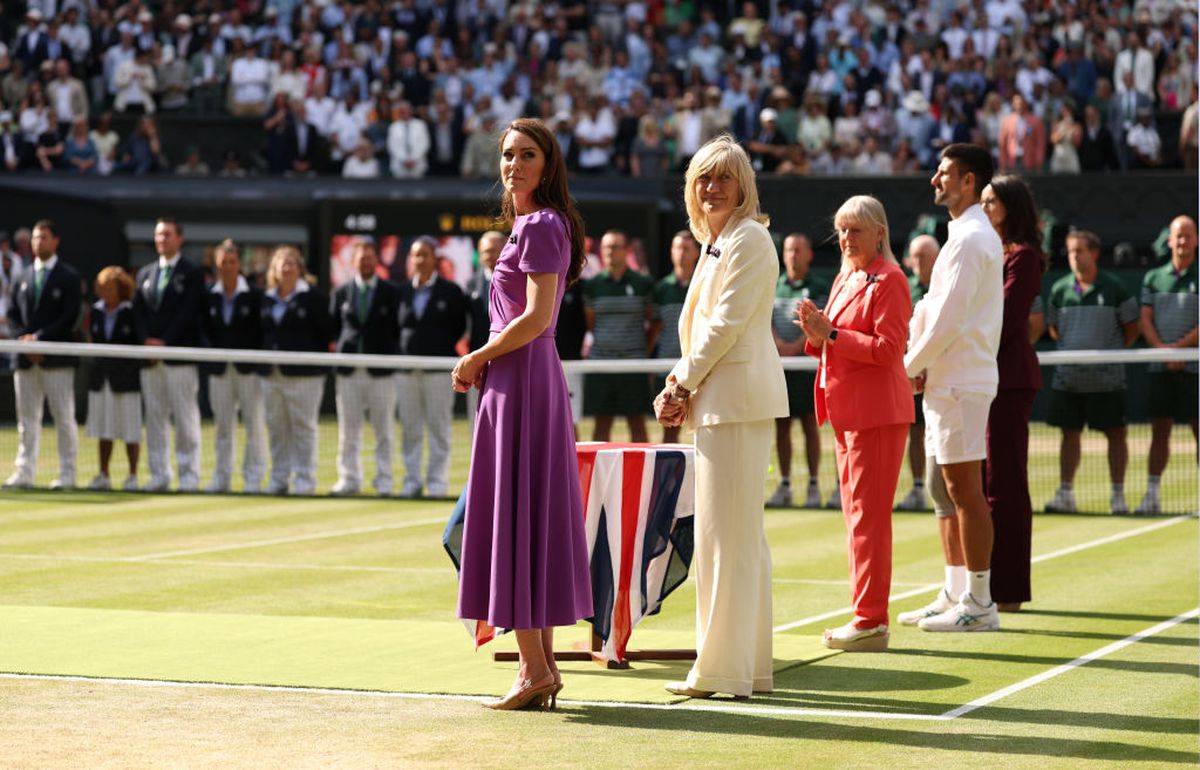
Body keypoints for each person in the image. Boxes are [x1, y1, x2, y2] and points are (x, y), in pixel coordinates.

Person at [451, 118, 593, 710]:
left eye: (526, 155)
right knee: (526, 520)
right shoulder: (532, 226)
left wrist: (477, 356)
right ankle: (542, 667)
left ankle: (535, 668)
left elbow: (537, 317)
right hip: (519, 380)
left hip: (521, 379)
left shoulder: (538, 225)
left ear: (547, 164)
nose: (513, 165)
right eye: (508, 155)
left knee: (520, 517)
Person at [654, 135, 787, 699]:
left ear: (743, 186)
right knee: (732, 540)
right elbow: (707, 329)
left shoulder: (748, 238)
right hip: (722, 403)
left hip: (734, 403)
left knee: (725, 541)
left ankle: (723, 672)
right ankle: (745, 668)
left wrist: (679, 382)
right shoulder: (719, 242)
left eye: (723, 178)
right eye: (703, 178)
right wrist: (681, 383)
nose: (712, 187)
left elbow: (725, 326)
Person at [796, 196, 913, 651]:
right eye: (842, 230)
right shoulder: (846, 277)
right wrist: (816, 336)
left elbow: (888, 349)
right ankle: (867, 616)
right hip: (848, 413)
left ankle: (870, 620)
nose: (845, 239)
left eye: (855, 230)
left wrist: (832, 335)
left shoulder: (892, 279)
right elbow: (833, 341)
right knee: (858, 518)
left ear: (879, 232)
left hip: (877, 413)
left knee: (867, 519)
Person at [901, 143, 1004, 633]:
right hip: (946, 380)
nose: (934, 180)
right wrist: (919, 363)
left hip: (961, 381)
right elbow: (932, 309)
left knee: (966, 491)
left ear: (969, 182)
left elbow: (949, 320)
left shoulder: (970, 240)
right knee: (945, 490)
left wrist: (907, 366)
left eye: (943, 173)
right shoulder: (960, 236)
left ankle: (980, 602)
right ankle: (954, 589)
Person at [978, 175, 1046, 611]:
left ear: (1010, 207)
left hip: (1008, 379)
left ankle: (1009, 591)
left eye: (991, 202)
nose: (983, 209)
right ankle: (983, 585)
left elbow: (1001, 319)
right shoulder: (992, 251)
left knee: (1005, 484)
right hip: (983, 376)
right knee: (985, 483)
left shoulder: (1023, 257)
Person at [1043, 230, 1139, 514]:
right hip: (1069, 381)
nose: (1074, 257)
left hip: (1107, 381)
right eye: (1071, 252)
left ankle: (1118, 497)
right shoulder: (1060, 289)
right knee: (1069, 436)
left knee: (1116, 435)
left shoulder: (1115, 288)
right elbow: (1054, 328)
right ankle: (1065, 494)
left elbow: (1131, 330)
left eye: (1080, 251)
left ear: (1094, 253)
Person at [3, 219, 80, 490]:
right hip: (25, 360)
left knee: (63, 418)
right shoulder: (22, 277)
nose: (38, 242)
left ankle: (68, 474)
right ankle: (25, 472)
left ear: (55, 241)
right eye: (35, 238)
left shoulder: (68, 276)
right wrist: (24, 340)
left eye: (44, 237)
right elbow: (12, 316)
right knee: (26, 420)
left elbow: (69, 316)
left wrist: (39, 340)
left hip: (56, 360)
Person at [134, 217, 205, 492]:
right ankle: (159, 474)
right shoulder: (145, 274)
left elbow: (188, 313)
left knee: (185, 419)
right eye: (158, 235)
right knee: (154, 419)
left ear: (179, 239)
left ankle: (189, 476)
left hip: (180, 359)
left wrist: (165, 343)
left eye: (167, 234)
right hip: (151, 362)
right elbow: (139, 313)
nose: (161, 239)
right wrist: (146, 342)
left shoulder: (192, 273)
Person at [396, 236, 467, 499]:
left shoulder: (450, 292)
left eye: (425, 254)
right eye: (416, 255)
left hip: (439, 371)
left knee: (439, 428)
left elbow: (458, 326)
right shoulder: (401, 291)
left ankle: (437, 483)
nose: (420, 259)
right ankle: (411, 482)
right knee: (410, 430)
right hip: (406, 371)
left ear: (435, 258)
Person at [1137, 215, 1198, 515]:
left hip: (1194, 368)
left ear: (1196, 240)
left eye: (1189, 235)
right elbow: (1145, 319)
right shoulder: (1153, 278)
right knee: (1159, 431)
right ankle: (1151, 495)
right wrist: (1163, 352)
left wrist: (1180, 350)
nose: (1183, 241)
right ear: (1170, 240)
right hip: (1161, 368)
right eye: (1179, 236)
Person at [260, 246, 333, 495]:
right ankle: (279, 479)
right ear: (274, 270)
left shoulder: (314, 298)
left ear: (300, 268)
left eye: (291, 263)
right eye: (281, 263)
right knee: (276, 429)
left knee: (303, 429)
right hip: (272, 375)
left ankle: (304, 480)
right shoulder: (266, 298)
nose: (286, 267)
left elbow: (326, 333)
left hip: (305, 377)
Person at [330, 238, 400, 497]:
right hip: (349, 372)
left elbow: (395, 328)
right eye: (361, 258)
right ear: (353, 261)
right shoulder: (341, 292)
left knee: (383, 430)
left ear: (376, 261)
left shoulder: (390, 292)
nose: (366, 262)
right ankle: (348, 479)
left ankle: (384, 480)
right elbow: (335, 328)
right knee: (348, 431)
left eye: (370, 258)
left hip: (381, 372)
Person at [768, 232, 829, 509]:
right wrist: (779, 345)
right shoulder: (773, 284)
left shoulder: (817, 286)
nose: (792, 255)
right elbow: (764, 318)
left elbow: (822, 321)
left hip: (806, 367)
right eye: (789, 250)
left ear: (809, 255)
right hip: (779, 368)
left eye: (798, 250)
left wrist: (796, 346)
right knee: (781, 425)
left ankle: (814, 484)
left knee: (809, 424)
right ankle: (784, 484)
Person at [202, 239, 266, 493]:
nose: (227, 266)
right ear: (216, 264)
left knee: (254, 425)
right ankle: (222, 477)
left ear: (239, 264)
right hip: (219, 372)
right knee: (222, 427)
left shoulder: (254, 295)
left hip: (248, 371)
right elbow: (204, 331)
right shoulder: (208, 296)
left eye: (232, 262)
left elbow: (261, 333)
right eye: (223, 262)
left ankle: (253, 479)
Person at [583, 230, 658, 442]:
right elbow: (591, 324)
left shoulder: (643, 284)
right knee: (601, 425)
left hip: (633, 365)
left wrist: (643, 351)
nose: (609, 251)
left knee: (638, 425)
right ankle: (599, 475)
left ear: (627, 251)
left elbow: (653, 322)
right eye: (606, 247)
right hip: (601, 365)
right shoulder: (592, 286)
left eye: (615, 247)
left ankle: (643, 474)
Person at [85, 266, 142, 491]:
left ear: (121, 289)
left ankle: (132, 476)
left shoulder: (131, 311)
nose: (106, 291)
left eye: (111, 287)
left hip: (126, 381)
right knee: (104, 428)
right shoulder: (96, 311)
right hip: (102, 380)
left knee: (130, 430)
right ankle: (104, 474)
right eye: (103, 287)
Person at [896, 234, 940, 512]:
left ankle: (939, 489)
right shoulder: (903, 287)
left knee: (932, 429)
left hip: (938, 373)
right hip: (906, 372)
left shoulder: (944, 287)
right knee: (913, 430)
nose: (920, 262)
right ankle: (917, 487)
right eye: (916, 256)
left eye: (925, 256)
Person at [651, 230, 699, 444]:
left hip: (698, 365)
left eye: (686, 248)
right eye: (677, 248)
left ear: (697, 253)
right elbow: (655, 327)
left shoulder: (704, 286)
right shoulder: (661, 289)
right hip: (668, 366)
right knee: (670, 422)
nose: (681, 253)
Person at [465, 231, 504, 428]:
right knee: (479, 419)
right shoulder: (471, 284)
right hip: (479, 362)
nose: (491, 255)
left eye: (496, 250)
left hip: (507, 358)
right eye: (487, 251)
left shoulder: (519, 281)